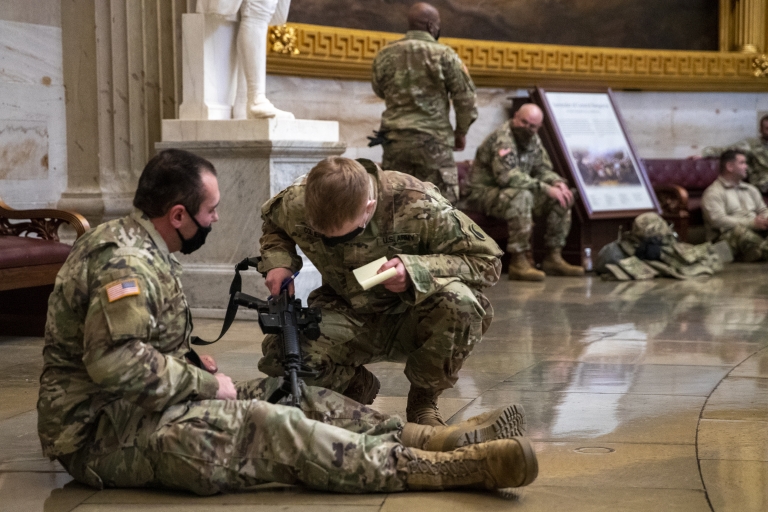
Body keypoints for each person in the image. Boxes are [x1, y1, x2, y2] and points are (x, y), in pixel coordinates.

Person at [37, 149, 538, 495]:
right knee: (275, 424)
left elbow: (129, 347)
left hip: (148, 405)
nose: (215, 220)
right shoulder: (124, 260)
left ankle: (425, 436)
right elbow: (114, 363)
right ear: (177, 215)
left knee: (291, 395)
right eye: (210, 210)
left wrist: (190, 366)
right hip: (101, 434)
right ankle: (442, 469)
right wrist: (202, 382)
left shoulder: (141, 245)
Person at [257, 156, 502, 427]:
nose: (331, 242)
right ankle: (355, 384)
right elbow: (275, 227)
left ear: (369, 207)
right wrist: (278, 262)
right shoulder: (296, 202)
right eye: (320, 234)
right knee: (283, 358)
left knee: (462, 303)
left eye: (344, 235)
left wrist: (415, 270)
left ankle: (423, 400)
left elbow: (488, 263)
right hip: (344, 310)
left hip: (412, 313)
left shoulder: (418, 202)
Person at [371, 2, 477, 205]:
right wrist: (461, 133)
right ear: (431, 26)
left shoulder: (385, 54)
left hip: (395, 143)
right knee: (442, 209)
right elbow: (466, 99)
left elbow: (379, 89)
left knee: (397, 207)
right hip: (434, 144)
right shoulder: (445, 55)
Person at [465, 103, 584, 281]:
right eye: (524, 122)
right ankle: (518, 261)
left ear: (538, 127)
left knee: (562, 197)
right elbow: (507, 177)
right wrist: (545, 188)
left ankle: (553, 256)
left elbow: (542, 169)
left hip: (510, 192)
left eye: (532, 126)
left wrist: (557, 183)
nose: (527, 128)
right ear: (515, 117)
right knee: (522, 196)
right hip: (483, 194)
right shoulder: (502, 138)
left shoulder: (533, 140)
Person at [702, 149, 768, 261]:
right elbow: (718, 221)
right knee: (740, 232)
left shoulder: (751, 189)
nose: (746, 167)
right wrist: (752, 223)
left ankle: (758, 252)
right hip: (724, 241)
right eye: (742, 163)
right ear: (730, 167)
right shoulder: (713, 192)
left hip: (755, 231)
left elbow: (763, 210)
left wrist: (765, 220)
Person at [700, 114, 768, 193]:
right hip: (762, 183)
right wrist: (705, 154)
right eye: (767, 129)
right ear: (761, 130)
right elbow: (726, 150)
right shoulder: (751, 145)